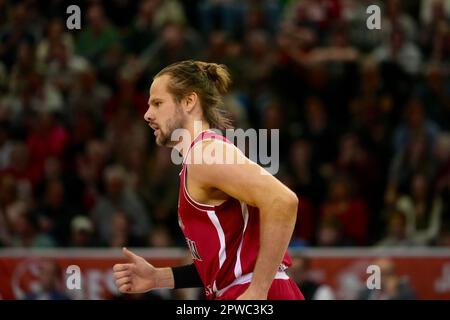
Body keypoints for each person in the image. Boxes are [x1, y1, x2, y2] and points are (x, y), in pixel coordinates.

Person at [113, 60, 304, 300]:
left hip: (251, 291)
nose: (147, 114)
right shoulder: (199, 158)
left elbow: (283, 201)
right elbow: (222, 264)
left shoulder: (205, 154)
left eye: (158, 103)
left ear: (189, 102)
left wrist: (258, 289)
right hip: (236, 289)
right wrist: (157, 278)